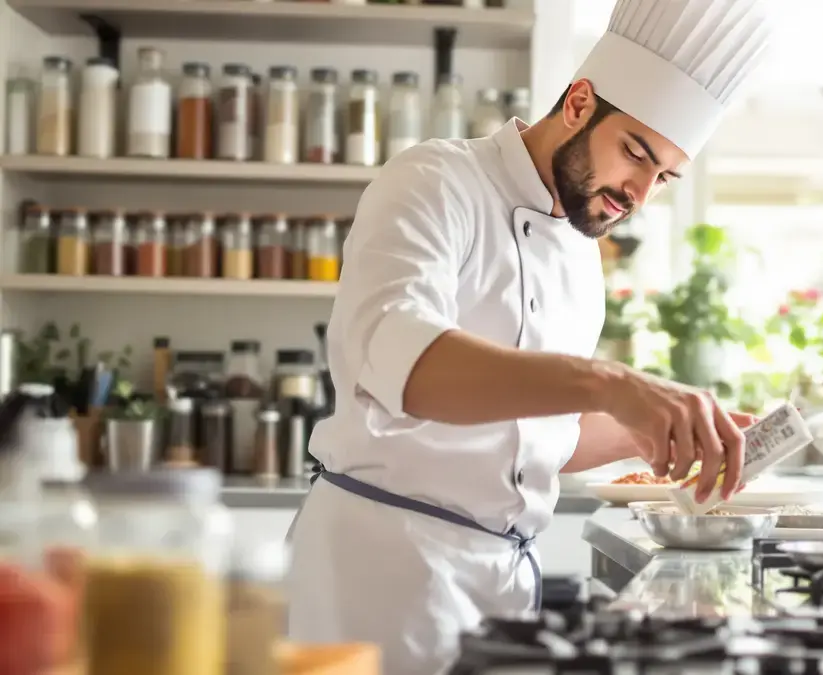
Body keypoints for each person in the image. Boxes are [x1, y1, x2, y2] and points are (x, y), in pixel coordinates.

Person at [286, 0, 774, 672]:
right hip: (381, 576)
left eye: (663, 176)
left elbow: (538, 432)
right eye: (635, 152)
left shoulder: (579, 248)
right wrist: (614, 383)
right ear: (577, 104)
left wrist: (655, 426)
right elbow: (402, 363)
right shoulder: (433, 181)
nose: (638, 191)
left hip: (506, 585)